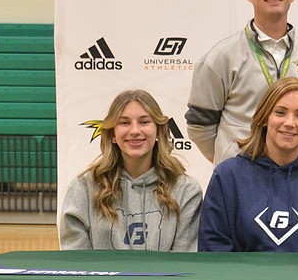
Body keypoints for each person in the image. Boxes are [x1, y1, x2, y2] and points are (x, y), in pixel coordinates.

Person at [186, 0, 298, 166]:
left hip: (294, 177)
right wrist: (231, 161)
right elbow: (200, 127)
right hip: (240, 182)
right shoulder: (221, 57)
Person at [198, 77, 298, 252]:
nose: (289, 123)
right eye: (280, 112)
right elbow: (213, 249)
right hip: (241, 279)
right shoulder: (227, 176)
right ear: (264, 118)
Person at [61, 89, 201, 251]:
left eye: (144, 122)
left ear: (158, 131)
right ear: (112, 133)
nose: (135, 131)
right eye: (124, 123)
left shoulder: (186, 191)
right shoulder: (84, 188)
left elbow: (184, 262)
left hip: (161, 277)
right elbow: (78, 262)